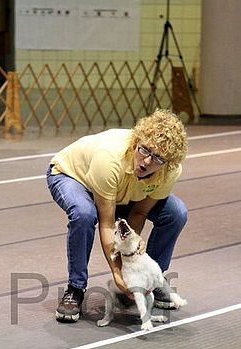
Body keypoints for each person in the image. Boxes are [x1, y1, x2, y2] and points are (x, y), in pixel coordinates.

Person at [47, 109, 188, 322]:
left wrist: (134, 267)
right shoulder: (110, 158)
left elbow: (138, 212)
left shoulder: (170, 171)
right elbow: (107, 223)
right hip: (73, 176)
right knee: (84, 214)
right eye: (145, 150)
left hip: (125, 192)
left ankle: (152, 282)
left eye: (158, 158)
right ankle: (75, 288)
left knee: (176, 213)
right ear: (136, 142)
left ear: (168, 163)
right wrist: (118, 273)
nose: (147, 162)